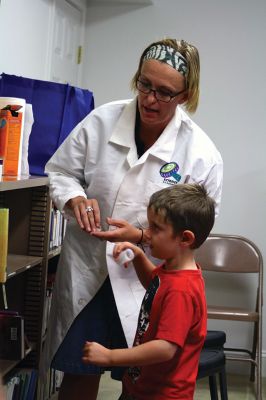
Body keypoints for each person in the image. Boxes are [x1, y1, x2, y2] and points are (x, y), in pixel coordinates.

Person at [41, 38, 223, 400]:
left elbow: (201, 225)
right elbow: (59, 172)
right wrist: (74, 197)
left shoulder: (202, 153)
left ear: (186, 95)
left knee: (142, 382)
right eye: (144, 84)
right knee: (79, 369)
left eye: (164, 92)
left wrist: (142, 236)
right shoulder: (102, 120)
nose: (150, 99)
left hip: (150, 280)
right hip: (88, 268)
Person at [83, 183, 215, 400]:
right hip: (142, 385)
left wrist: (110, 356)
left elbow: (165, 348)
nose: (147, 234)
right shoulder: (172, 271)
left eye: (156, 228)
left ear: (185, 238)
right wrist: (139, 256)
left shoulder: (181, 290)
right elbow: (155, 287)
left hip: (162, 394)